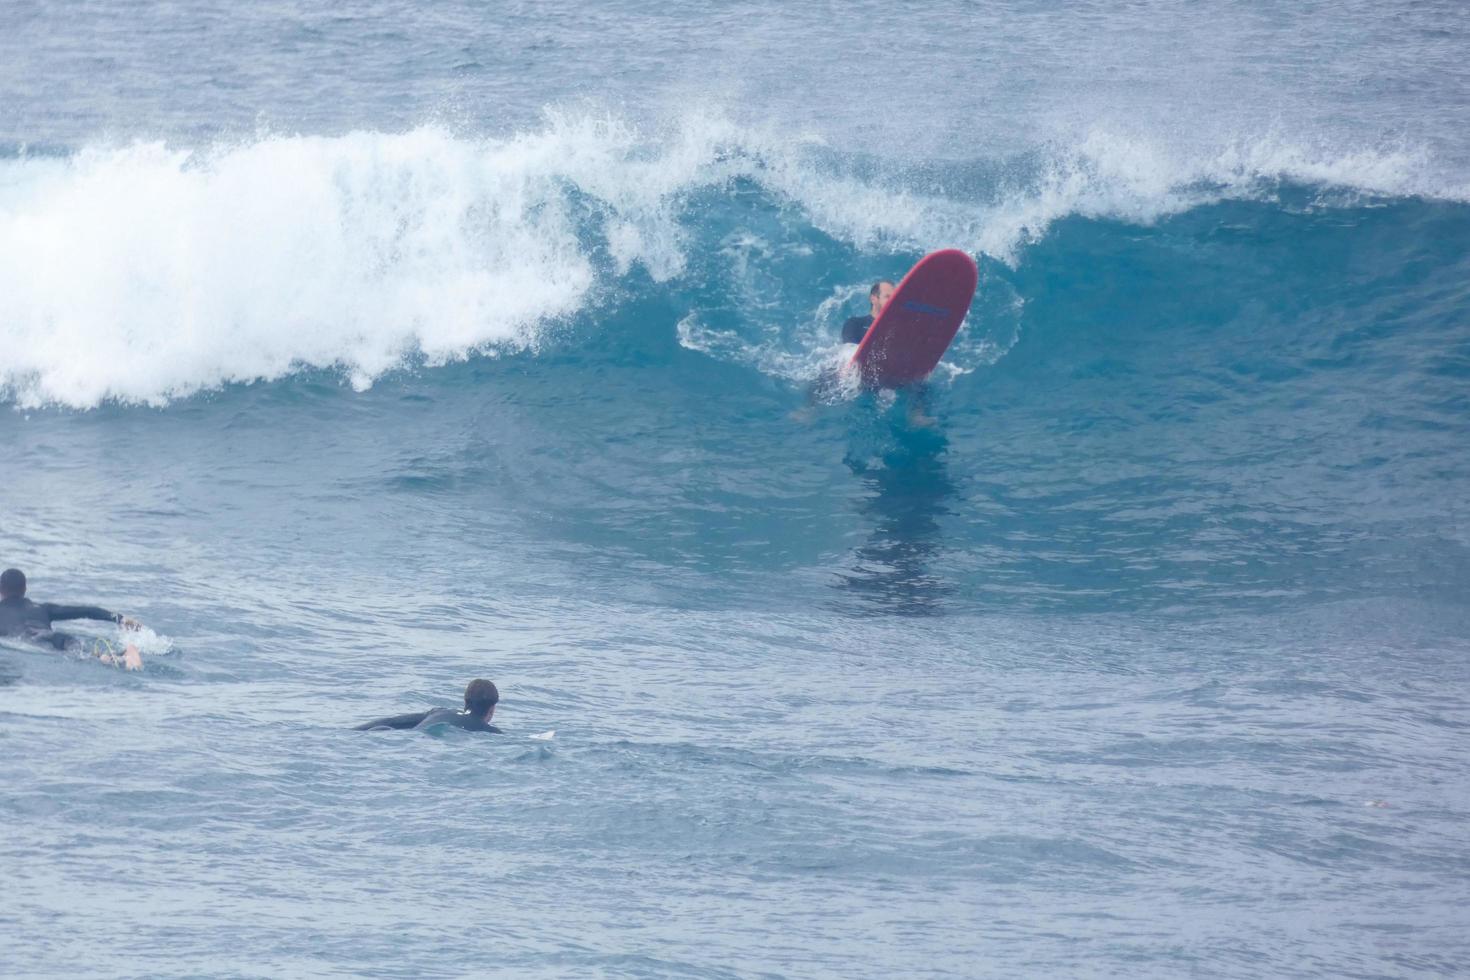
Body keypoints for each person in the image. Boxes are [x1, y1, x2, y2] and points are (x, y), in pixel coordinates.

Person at [0, 568, 143, 669]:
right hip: (61, 638)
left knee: (84, 659)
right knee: (85, 654)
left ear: (1, 589)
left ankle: (109, 659)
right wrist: (120, 619)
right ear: (25, 588)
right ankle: (126, 653)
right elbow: (87, 610)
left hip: (33, 643)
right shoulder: (43, 608)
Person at [355, 679, 503, 733]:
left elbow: (390, 721)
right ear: (492, 709)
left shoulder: (438, 712)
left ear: (465, 701)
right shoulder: (490, 732)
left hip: (403, 737)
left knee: (383, 730)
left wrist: (352, 732)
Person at [840, 280, 896, 344]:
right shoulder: (855, 324)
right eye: (887, 296)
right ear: (873, 299)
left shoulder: (898, 327)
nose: (893, 300)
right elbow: (848, 350)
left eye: (894, 296)